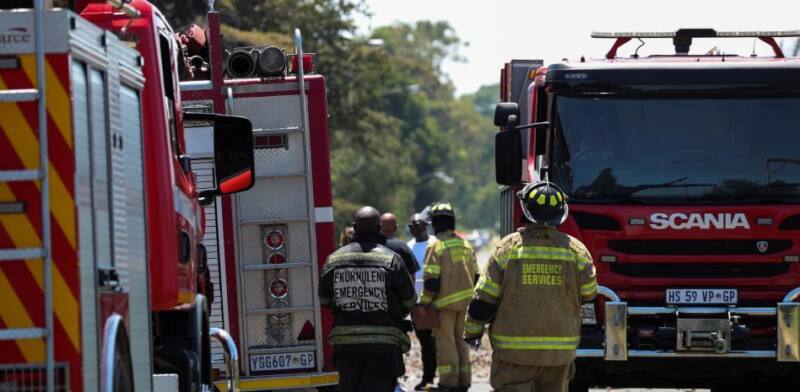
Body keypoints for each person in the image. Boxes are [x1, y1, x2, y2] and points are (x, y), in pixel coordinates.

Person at [464, 181, 597, 392]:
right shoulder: (577, 251)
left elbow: (483, 301)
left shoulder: (506, 249)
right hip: (558, 355)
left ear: (526, 210)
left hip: (513, 355)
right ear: (561, 213)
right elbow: (589, 295)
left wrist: (472, 332)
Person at [319, 206, 417, 392]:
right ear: (379, 228)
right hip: (384, 346)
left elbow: (324, 299)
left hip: (346, 345)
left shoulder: (333, 260)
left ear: (355, 227)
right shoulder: (392, 259)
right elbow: (410, 300)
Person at [417, 202, 478, 392]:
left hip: (444, 306)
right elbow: (477, 276)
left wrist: (423, 303)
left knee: (446, 344)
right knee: (461, 342)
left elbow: (431, 282)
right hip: (466, 304)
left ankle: (448, 383)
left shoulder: (436, 246)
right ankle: (463, 382)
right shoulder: (465, 245)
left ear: (435, 224)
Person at [406, 213, 437, 390]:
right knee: (426, 343)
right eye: (411, 226)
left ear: (426, 225)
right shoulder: (408, 247)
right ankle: (428, 378)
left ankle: (446, 378)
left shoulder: (435, 244)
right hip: (418, 305)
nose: (414, 229)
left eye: (417, 225)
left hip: (437, 303)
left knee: (440, 342)